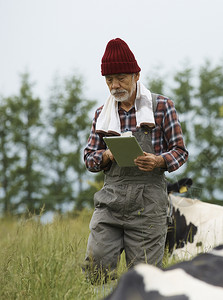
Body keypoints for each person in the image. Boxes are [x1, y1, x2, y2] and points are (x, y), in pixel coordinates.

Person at [83, 38, 188, 282]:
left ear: (136, 75)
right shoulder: (102, 114)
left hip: (148, 206)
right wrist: (107, 155)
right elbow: (89, 158)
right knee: (96, 268)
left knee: (145, 278)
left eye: (121, 78)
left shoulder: (162, 107)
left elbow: (180, 152)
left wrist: (159, 161)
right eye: (109, 80)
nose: (115, 85)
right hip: (110, 202)